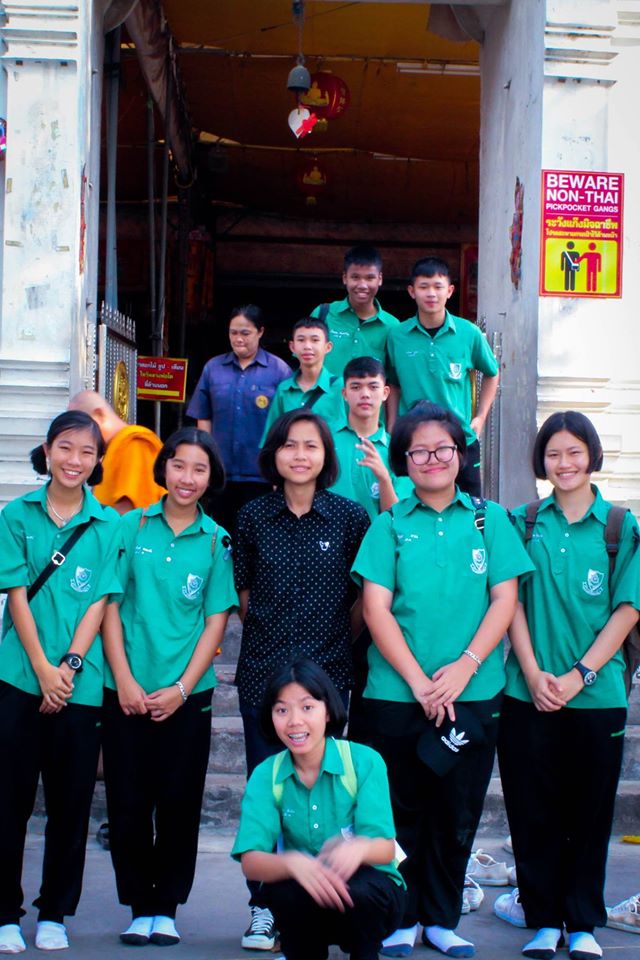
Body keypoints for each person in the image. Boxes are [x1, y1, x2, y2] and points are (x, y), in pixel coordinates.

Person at [351, 402, 533, 959]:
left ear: (461, 453)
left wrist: (464, 667)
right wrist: (418, 681)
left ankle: (442, 918)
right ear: (404, 460)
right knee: (397, 812)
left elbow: (504, 599)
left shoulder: (489, 519)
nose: (432, 459)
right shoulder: (388, 525)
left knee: (457, 811)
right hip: (394, 695)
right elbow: (376, 608)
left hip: (473, 693)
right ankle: (402, 918)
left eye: (443, 449)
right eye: (419, 451)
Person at [494, 411, 640, 960]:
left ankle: (581, 924)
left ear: (592, 455)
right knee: (532, 810)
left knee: (590, 812)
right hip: (526, 692)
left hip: (597, 696)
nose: (564, 463)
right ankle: (543, 920)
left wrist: (581, 676)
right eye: (553, 453)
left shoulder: (620, 526)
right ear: (541, 461)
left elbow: (628, 608)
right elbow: (509, 602)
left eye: (574, 451)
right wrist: (532, 672)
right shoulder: (522, 522)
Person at [233, 409, 370, 950]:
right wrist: (272, 646)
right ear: (275, 453)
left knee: (326, 799)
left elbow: (362, 598)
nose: (300, 455)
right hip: (263, 678)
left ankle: (320, 907)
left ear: (325, 456)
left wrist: (331, 647)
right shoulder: (252, 517)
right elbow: (245, 594)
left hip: (327, 680)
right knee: (267, 793)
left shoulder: (350, 518)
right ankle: (264, 908)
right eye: (290, 444)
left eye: (311, 445)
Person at [101, 427, 238, 947]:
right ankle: (139, 906)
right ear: (164, 468)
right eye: (179, 465)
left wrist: (182, 688)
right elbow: (110, 605)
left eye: (199, 469)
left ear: (211, 477)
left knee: (180, 804)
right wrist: (124, 679)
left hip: (189, 695)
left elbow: (215, 620)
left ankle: (167, 908)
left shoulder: (216, 540)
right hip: (127, 689)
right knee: (128, 802)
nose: (187, 477)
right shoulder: (131, 525)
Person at [0, 411, 121, 954]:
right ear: (47, 451)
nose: (75, 461)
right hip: (18, 679)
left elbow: (100, 601)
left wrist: (68, 667)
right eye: (66, 448)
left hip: (81, 685)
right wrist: (42, 669)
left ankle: (55, 912)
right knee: (9, 803)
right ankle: (5, 913)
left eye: (87, 452)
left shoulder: (108, 525)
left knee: (71, 806)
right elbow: (16, 596)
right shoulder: (16, 514)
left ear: (98, 462)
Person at [231, 658, 406, 960]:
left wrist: (358, 849)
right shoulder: (266, 774)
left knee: (362, 890)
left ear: (327, 710)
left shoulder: (364, 761)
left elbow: (385, 849)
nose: (294, 721)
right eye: (282, 710)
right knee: (283, 889)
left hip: (367, 897)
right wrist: (292, 863)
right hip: (306, 896)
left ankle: (365, 953)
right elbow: (251, 861)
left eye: (307, 707)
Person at [385, 257, 499, 498]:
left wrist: (480, 417)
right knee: (413, 504)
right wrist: (392, 424)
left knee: (470, 507)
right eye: (423, 286)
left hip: (461, 438)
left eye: (438, 286)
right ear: (412, 291)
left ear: (450, 291)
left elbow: (492, 373)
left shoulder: (468, 333)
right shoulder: (397, 336)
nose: (431, 293)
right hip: (413, 440)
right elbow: (393, 384)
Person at [186, 305, 291, 534]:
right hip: (221, 473)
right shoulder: (213, 368)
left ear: (260, 332)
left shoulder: (279, 371)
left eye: (245, 333)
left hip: (262, 476)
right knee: (221, 535)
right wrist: (204, 462)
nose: (238, 339)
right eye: (233, 333)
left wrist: (280, 473)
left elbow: (286, 426)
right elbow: (204, 419)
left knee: (258, 536)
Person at [329, 356, 412, 522]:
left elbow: (398, 518)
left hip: (375, 536)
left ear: (385, 393)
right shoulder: (325, 438)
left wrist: (384, 478)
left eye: (373, 387)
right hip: (325, 536)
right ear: (344, 394)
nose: (365, 394)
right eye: (356, 387)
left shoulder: (397, 450)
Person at [69, 390, 165, 514]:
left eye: (79, 428)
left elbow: (130, 512)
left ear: (98, 415)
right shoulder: (113, 449)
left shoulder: (135, 444)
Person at [310, 245, 400, 377]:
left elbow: (394, 379)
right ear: (345, 278)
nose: (362, 285)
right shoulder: (323, 314)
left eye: (370, 278)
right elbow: (305, 364)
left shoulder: (392, 326)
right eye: (355, 277)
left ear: (380, 279)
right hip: (326, 392)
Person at [261, 318, 345, 438]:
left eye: (315, 340)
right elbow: (271, 438)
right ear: (292, 347)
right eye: (301, 340)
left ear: (328, 347)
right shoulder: (284, 389)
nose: (307, 346)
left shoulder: (341, 388)